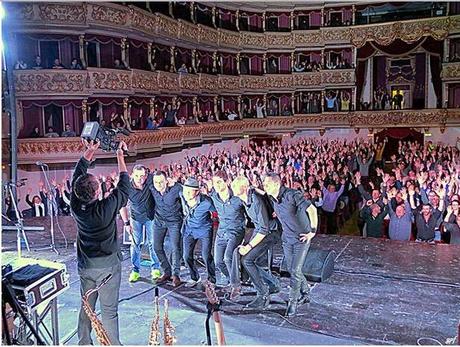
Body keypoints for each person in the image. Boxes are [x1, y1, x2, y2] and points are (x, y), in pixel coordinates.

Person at [71, 139, 129, 345]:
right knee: (109, 311)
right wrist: (120, 156)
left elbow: (77, 173)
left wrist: (89, 151)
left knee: (87, 307)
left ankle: (84, 342)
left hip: (85, 265)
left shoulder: (76, 205)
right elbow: (124, 187)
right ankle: (113, 344)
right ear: (97, 193)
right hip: (107, 268)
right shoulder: (106, 209)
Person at [263, 173, 317, 316]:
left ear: (276, 184)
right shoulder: (272, 197)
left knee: (294, 270)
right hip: (287, 238)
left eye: (267, 184)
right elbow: (261, 192)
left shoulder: (293, 195)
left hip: (302, 238)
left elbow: (312, 209)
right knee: (294, 269)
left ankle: (293, 302)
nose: (265, 186)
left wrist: (313, 231)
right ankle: (305, 293)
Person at [230, 176, 281, 309]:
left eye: (236, 186)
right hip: (260, 230)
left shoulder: (256, 200)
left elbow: (264, 229)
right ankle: (273, 284)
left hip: (271, 232)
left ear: (244, 187)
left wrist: (249, 246)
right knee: (242, 256)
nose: (233, 188)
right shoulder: (244, 199)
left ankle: (263, 295)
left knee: (247, 260)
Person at [120, 165, 162, 283]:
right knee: (135, 244)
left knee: (152, 243)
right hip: (135, 218)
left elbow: (161, 183)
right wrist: (126, 223)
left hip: (150, 217)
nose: (140, 178)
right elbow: (122, 206)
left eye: (142, 176)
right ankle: (135, 270)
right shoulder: (127, 187)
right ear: (132, 175)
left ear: (146, 175)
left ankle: (155, 268)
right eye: (137, 175)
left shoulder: (150, 179)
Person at [206, 170, 246, 287]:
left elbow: (250, 205)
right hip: (221, 231)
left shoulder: (237, 197)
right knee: (218, 262)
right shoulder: (214, 196)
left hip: (236, 231)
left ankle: (235, 285)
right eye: (214, 183)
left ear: (227, 182)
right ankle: (233, 277)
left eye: (219, 182)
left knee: (228, 258)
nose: (216, 186)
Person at [181, 177, 217, 286]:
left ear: (197, 192)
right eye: (185, 190)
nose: (186, 193)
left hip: (204, 230)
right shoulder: (181, 195)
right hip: (189, 230)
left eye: (189, 191)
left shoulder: (206, 202)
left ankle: (212, 279)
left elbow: (218, 210)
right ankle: (194, 277)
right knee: (186, 256)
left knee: (206, 255)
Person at [150, 171, 183, 287]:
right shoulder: (152, 189)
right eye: (156, 182)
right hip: (159, 221)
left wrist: (177, 183)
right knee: (156, 247)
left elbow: (187, 193)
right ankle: (167, 271)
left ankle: (176, 275)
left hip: (174, 222)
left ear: (166, 181)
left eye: (161, 182)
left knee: (175, 248)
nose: (158, 184)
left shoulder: (175, 189)